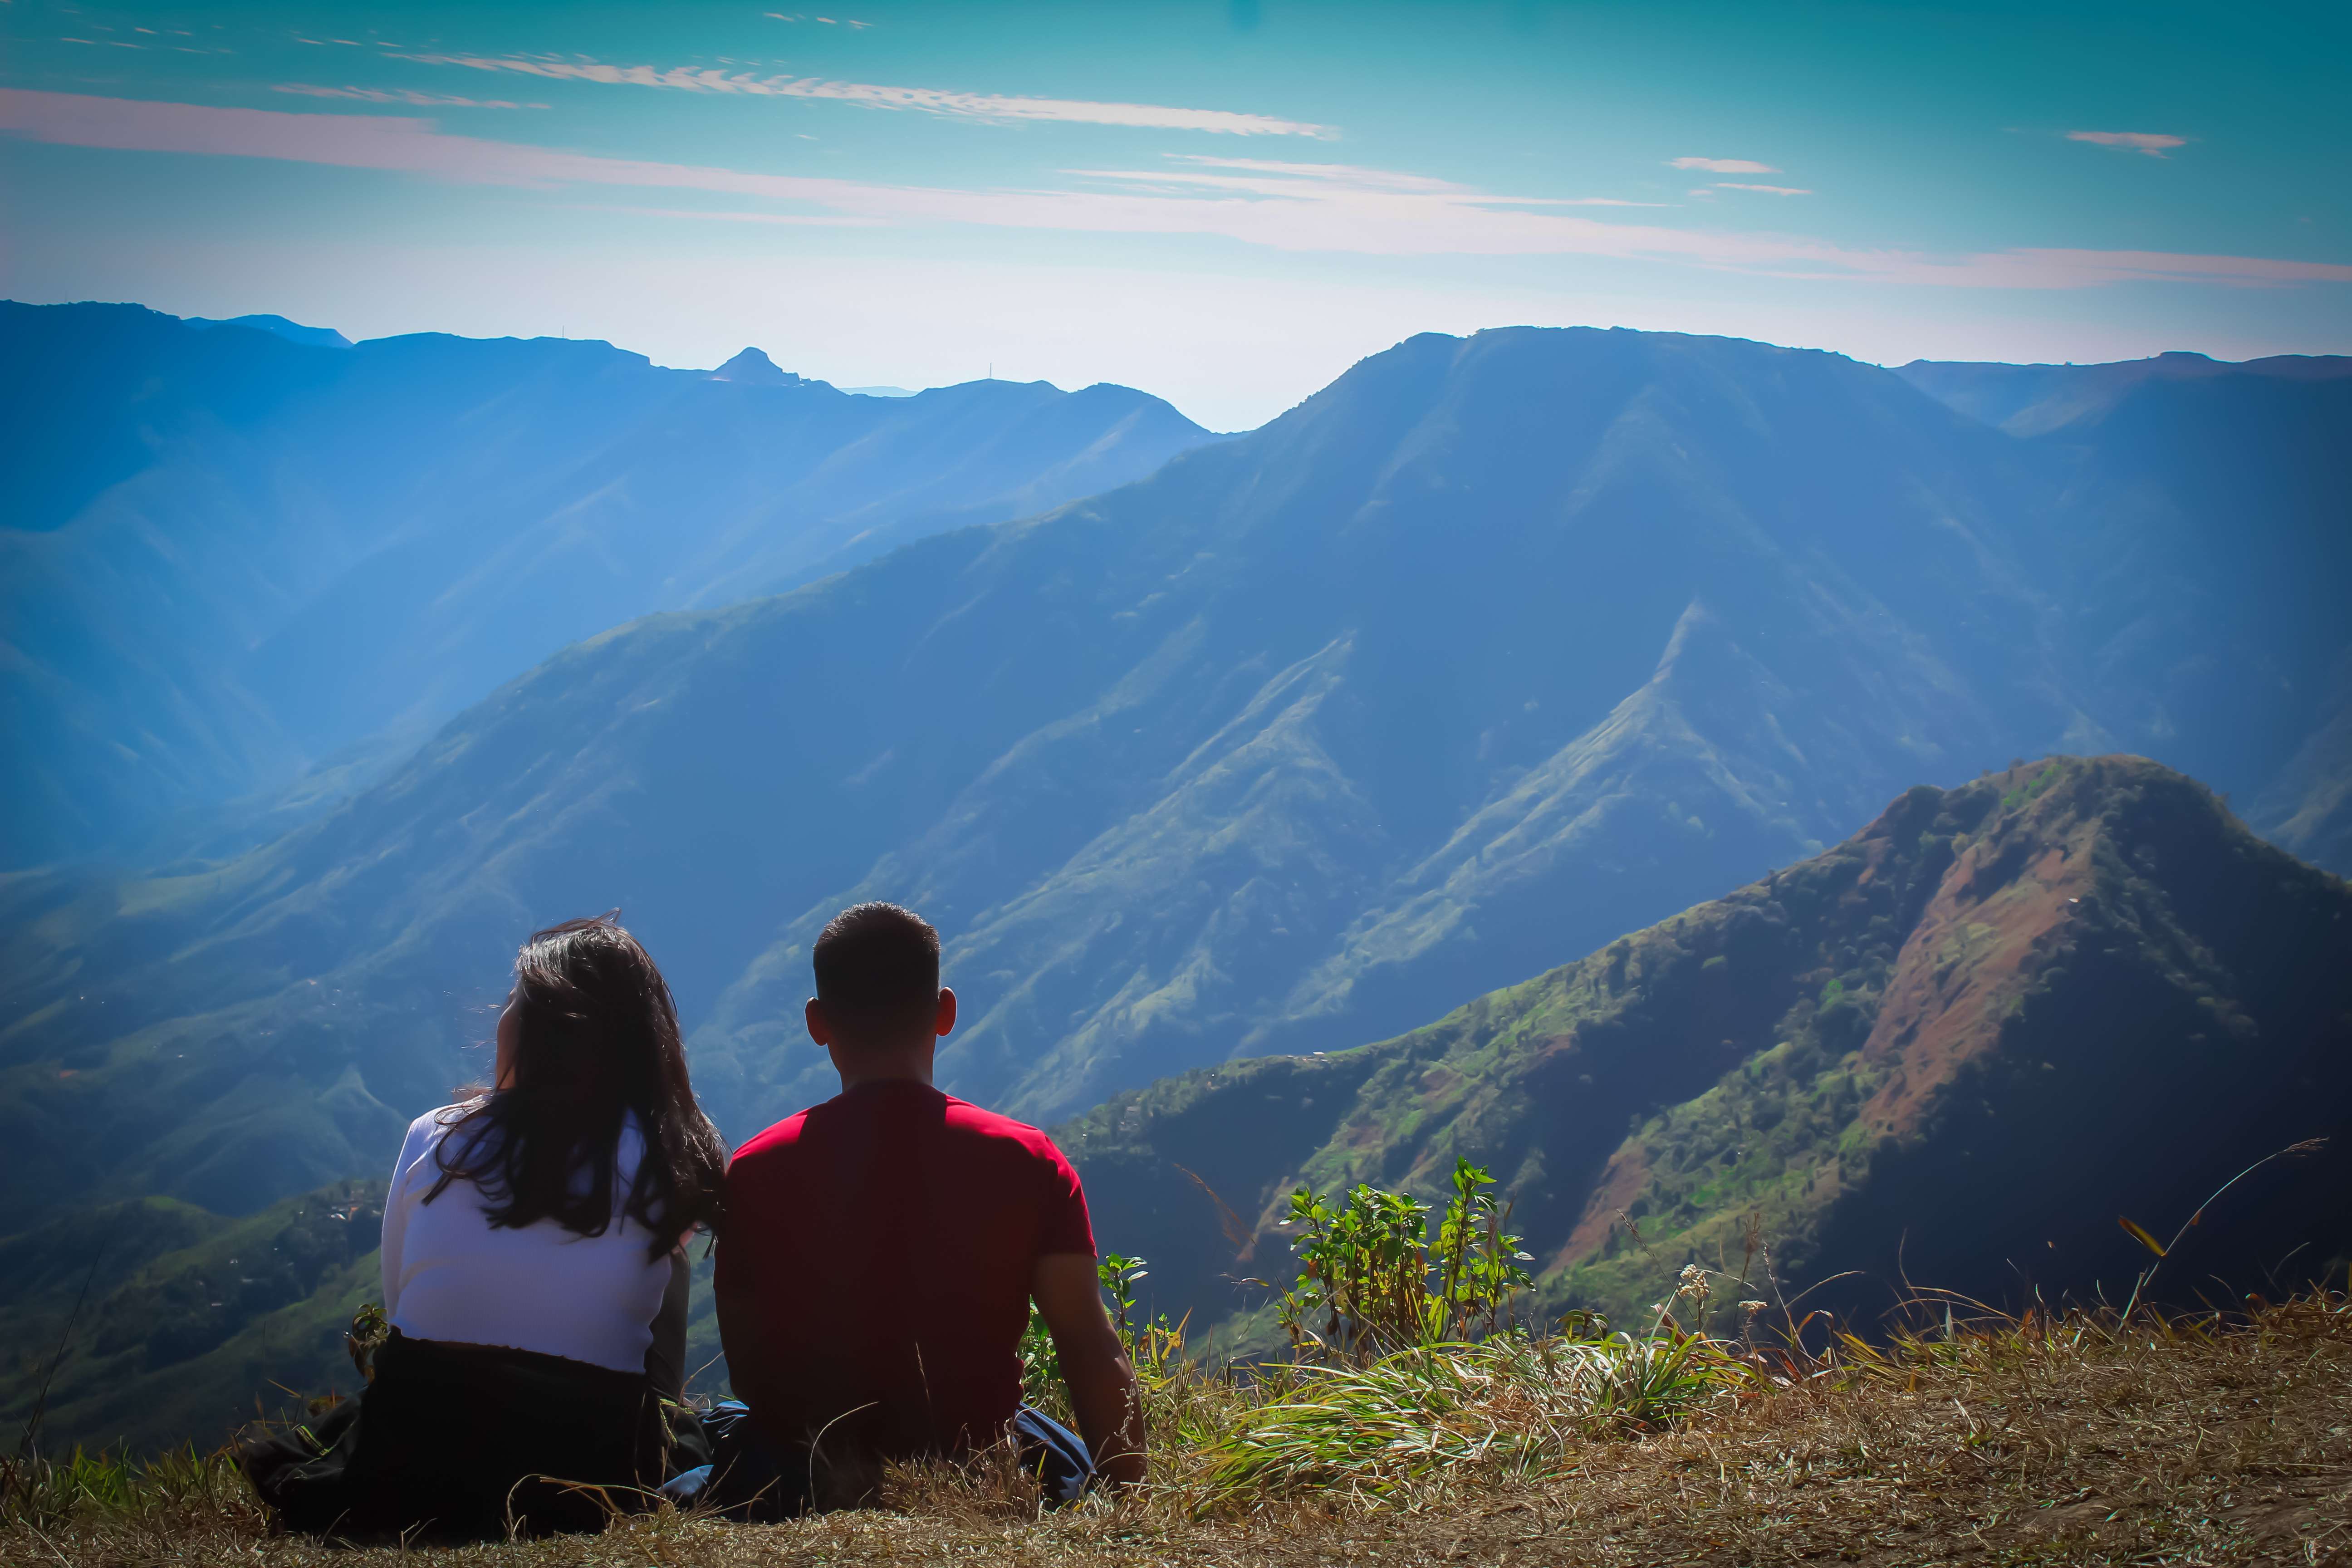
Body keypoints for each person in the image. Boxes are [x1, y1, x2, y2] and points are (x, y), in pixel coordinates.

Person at [240, 915, 726, 1540]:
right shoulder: (670, 1158)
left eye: (515, 1002)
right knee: (665, 1261)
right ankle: (659, 1421)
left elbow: (401, 1305)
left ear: (537, 1032)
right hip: (581, 1468)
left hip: (411, 1457)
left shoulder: (436, 1136)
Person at [695, 902, 1144, 1516]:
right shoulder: (1027, 1159)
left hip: (802, 1474)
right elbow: (1089, 1347)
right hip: (980, 1459)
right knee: (1056, 1445)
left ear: (816, 1023)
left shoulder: (756, 1169)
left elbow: (750, 1372)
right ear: (946, 1012)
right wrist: (1131, 1504)